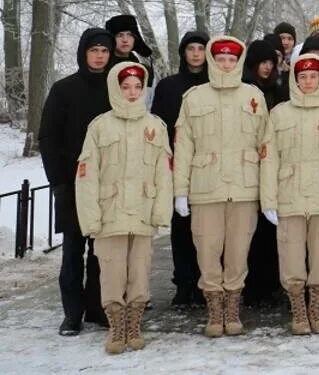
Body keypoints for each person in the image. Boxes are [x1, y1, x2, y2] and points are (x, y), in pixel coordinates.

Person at [173, 36, 269, 338]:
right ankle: (214, 309)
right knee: (208, 251)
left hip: (244, 188)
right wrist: (180, 191)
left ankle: (232, 308)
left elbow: (266, 148)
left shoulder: (253, 96)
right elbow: (183, 147)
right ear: (212, 62)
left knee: (239, 252)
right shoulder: (194, 98)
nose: (226, 64)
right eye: (221, 59)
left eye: (231, 59)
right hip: (206, 188)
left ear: (238, 62)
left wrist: (267, 195)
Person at [75, 62, 172, 354]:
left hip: (142, 212)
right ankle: (117, 327)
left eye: (137, 87)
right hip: (110, 213)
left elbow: (163, 173)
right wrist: (91, 217)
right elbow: (86, 175)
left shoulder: (155, 126)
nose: (132, 92)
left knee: (140, 271)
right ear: (115, 89)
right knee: (112, 272)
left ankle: (134, 324)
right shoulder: (100, 126)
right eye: (125, 87)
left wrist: (160, 212)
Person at [260, 54, 319, 335]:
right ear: (294, 79)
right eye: (302, 77)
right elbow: (268, 159)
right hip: (289, 197)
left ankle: (316, 308)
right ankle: (298, 310)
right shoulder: (279, 114)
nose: (308, 82)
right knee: (291, 256)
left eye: (313, 76)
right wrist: (269, 200)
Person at [39, 27, 115, 335]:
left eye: (105, 51)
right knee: (73, 251)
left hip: (108, 184)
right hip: (72, 183)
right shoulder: (64, 89)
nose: (99, 56)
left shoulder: (117, 91)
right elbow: (48, 137)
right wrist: (58, 181)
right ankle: (72, 314)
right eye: (94, 50)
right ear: (84, 53)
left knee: (103, 252)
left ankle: (97, 307)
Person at [149, 30, 208, 308]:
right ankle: (184, 283)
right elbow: (160, 126)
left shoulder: (214, 85)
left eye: (200, 48)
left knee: (208, 229)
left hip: (209, 165)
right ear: (183, 53)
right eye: (191, 49)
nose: (196, 54)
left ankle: (206, 282)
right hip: (177, 163)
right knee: (182, 227)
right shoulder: (169, 86)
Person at [240, 39, 285, 309]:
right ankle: (252, 286)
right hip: (249, 163)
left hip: (274, 164)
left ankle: (269, 285)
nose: (267, 67)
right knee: (249, 232)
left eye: (271, 63)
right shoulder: (246, 90)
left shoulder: (278, 90)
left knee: (270, 231)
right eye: (262, 62)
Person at [105, 14, 156, 88]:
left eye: (129, 35)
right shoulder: (103, 68)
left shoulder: (144, 71)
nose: (125, 40)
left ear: (135, 38)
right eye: (120, 35)